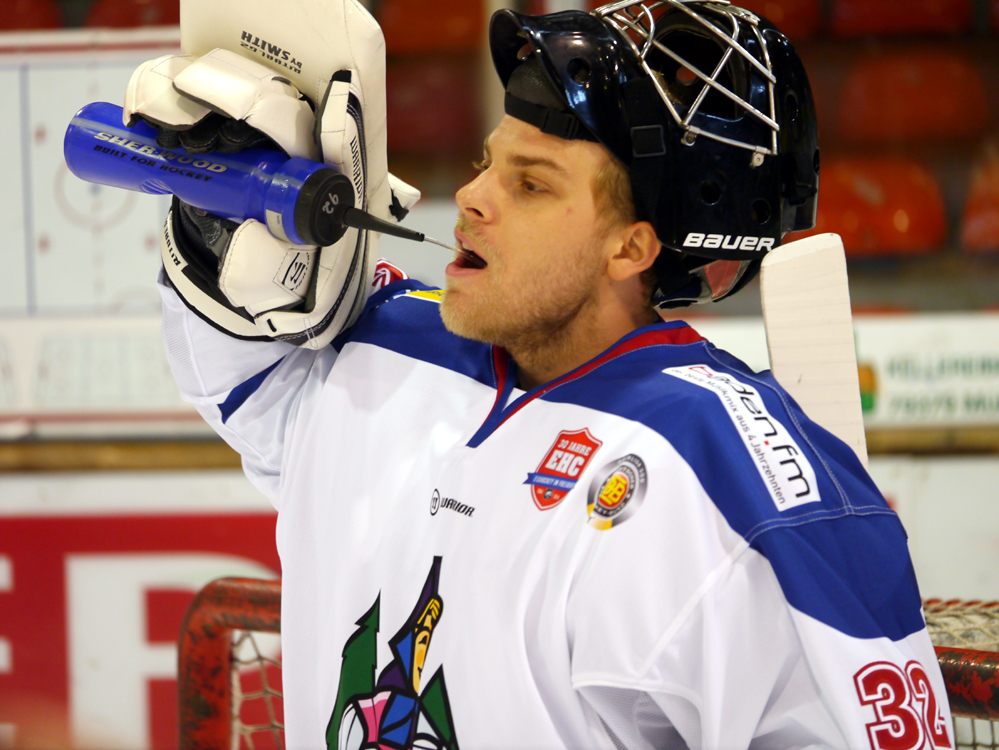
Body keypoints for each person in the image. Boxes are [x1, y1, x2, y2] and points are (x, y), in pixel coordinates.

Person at [132, 1, 953, 747]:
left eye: (529, 184)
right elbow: (237, 379)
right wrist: (216, 213)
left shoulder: (739, 483)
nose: (470, 196)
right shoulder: (379, 344)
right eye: (487, 162)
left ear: (630, 247)